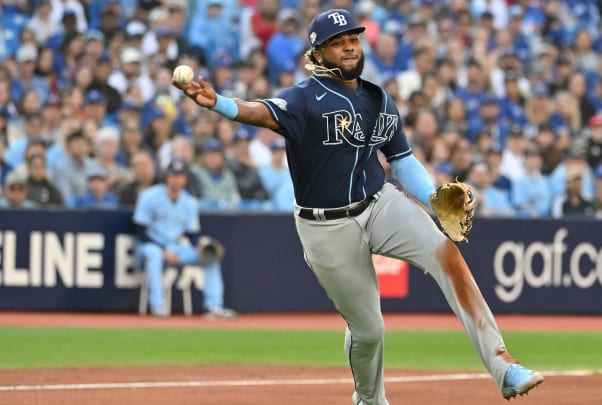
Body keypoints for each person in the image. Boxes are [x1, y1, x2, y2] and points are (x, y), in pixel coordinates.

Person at [173, 8, 542, 403]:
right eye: (337, 42)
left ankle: (502, 364)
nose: (348, 47)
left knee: (446, 254)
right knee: (369, 331)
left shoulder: (378, 98)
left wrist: (433, 199)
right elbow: (259, 111)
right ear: (317, 53)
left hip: (378, 202)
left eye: (352, 39)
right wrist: (219, 104)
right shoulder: (303, 99)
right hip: (326, 226)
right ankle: (368, 398)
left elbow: (400, 159)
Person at [133, 158, 236, 319]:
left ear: (186, 179)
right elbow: (140, 231)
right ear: (167, 176)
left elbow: (192, 234)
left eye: (180, 176)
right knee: (154, 254)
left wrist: (201, 245)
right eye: (173, 175)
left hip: (176, 248)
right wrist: (163, 249)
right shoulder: (149, 196)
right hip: (149, 246)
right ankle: (158, 305)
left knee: (210, 257)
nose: (176, 179)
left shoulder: (189, 202)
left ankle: (214, 306)